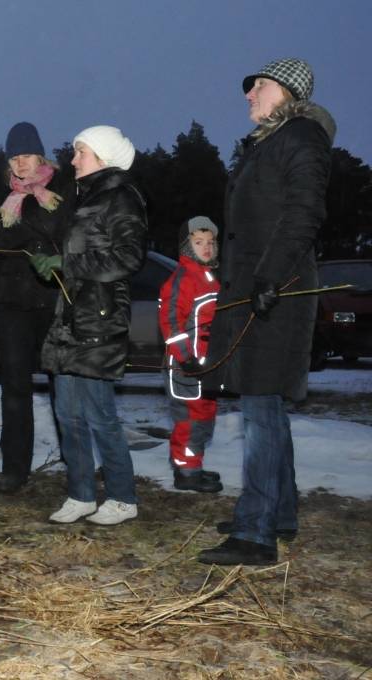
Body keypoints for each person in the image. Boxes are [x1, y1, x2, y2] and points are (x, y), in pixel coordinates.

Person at [198, 59, 334, 565]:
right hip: (259, 289)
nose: (249, 93)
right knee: (266, 409)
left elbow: (305, 213)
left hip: (277, 293)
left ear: (287, 91)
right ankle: (278, 513)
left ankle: (255, 535)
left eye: (259, 85)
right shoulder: (271, 142)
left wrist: (271, 277)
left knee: (258, 410)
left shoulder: (302, 137)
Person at [39, 125, 147, 526]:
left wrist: (68, 265)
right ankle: (81, 493)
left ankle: (122, 496)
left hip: (100, 318)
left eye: (79, 152)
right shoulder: (86, 197)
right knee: (68, 414)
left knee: (99, 414)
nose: (72, 160)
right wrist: (52, 264)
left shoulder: (121, 197)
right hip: (71, 317)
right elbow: (80, 254)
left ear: (101, 156)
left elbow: (129, 257)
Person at [0, 122, 70, 494]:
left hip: (54, 304)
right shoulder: (2, 204)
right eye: (14, 157)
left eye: (26, 156)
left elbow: (73, 243)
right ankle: (14, 469)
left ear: (41, 156)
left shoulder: (62, 194)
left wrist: (47, 250)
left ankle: (77, 461)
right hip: (12, 308)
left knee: (66, 388)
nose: (20, 164)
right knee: (14, 390)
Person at [158, 217, 222, 493]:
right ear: (186, 246)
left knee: (204, 417)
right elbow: (171, 323)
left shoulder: (209, 277)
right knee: (189, 419)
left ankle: (194, 465)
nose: (206, 248)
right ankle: (186, 473)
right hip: (185, 365)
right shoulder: (182, 279)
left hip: (206, 366)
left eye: (210, 242)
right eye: (199, 243)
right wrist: (185, 357)